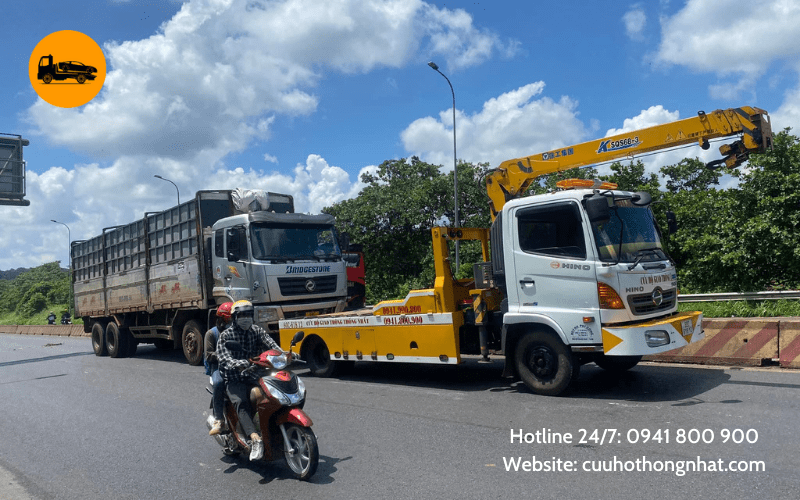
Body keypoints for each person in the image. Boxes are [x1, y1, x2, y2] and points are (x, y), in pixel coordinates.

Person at [216, 300, 281, 461]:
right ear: (235, 317)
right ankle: (255, 439)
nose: (246, 318)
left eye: (248, 315)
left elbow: (271, 345)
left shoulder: (257, 331)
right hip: (234, 377)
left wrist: (284, 355)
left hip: (254, 374)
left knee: (273, 394)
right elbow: (225, 358)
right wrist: (239, 364)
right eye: (242, 315)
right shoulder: (226, 335)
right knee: (241, 402)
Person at [205, 302, 233, 436]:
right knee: (218, 383)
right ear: (221, 319)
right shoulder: (211, 334)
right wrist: (224, 356)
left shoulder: (237, 333)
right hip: (218, 367)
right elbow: (209, 355)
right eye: (228, 319)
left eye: (233, 318)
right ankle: (219, 419)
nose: (231, 322)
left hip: (235, 365)